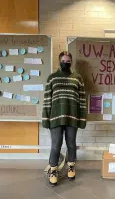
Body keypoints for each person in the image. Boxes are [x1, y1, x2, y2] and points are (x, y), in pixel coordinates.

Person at [42, 51, 87, 186]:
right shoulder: (52, 78)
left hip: (72, 117)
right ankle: (54, 170)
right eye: (64, 61)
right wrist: (45, 118)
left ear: (71, 62)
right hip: (55, 118)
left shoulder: (77, 78)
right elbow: (47, 99)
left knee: (71, 144)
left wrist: (82, 118)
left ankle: (71, 166)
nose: (66, 63)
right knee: (56, 145)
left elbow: (82, 99)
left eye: (68, 61)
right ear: (59, 61)